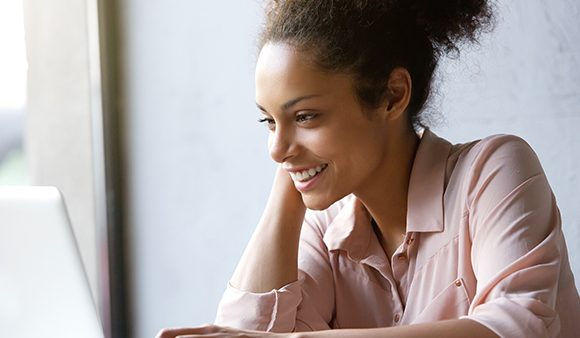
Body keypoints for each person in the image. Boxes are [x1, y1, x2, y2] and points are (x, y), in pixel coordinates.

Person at [157, 0, 580, 337]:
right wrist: (293, 176)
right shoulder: (324, 230)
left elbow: (519, 327)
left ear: (393, 96)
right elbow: (242, 334)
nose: (275, 149)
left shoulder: (492, 172)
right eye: (268, 121)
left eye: (305, 116)